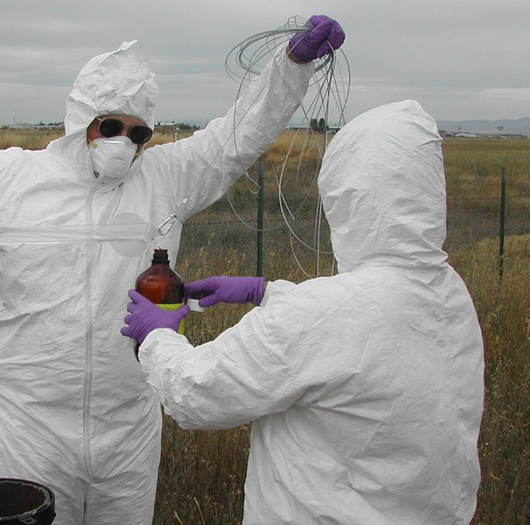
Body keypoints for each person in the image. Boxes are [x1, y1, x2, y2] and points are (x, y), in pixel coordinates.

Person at [0, 16, 345, 525]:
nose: (125, 142)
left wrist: (292, 67)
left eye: (138, 132)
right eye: (111, 126)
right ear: (81, 121)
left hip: (129, 429)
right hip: (30, 427)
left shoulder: (163, 177)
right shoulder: (7, 177)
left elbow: (237, 137)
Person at [121, 100, 485, 524]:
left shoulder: (330, 314)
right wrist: (269, 293)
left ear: (350, 195)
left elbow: (198, 394)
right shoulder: (447, 290)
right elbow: (359, 332)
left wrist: (157, 336)